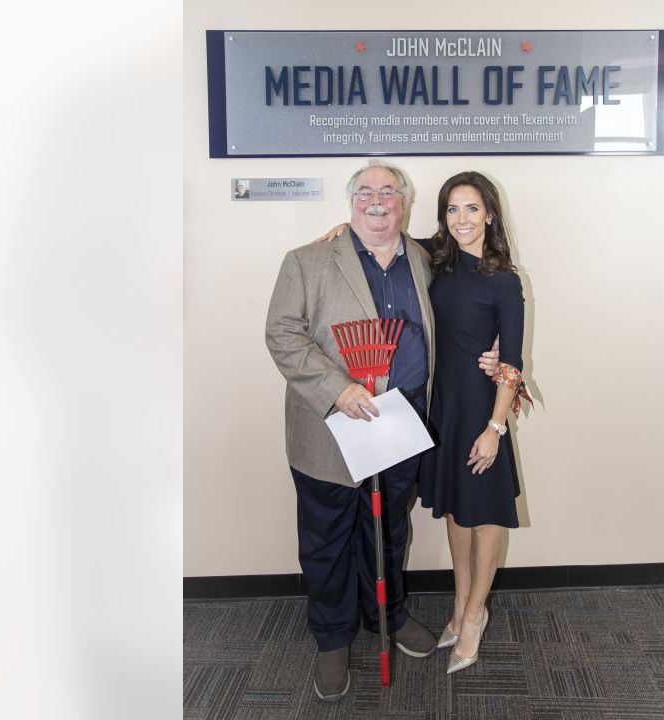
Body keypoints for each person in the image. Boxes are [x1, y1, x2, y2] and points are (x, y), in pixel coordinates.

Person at [264, 160, 497, 701]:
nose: (377, 200)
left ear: (404, 202)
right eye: (365, 191)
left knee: (388, 531)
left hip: (400, 427)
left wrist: (500, 348)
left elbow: (472, 295)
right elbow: (282, 334)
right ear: (350, 203)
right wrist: (338, 389)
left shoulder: (425, 258)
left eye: (387, 191)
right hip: (330, 429)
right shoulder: (307, 260)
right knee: (327, 538)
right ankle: (332, 637)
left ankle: (386, 615)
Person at [314, 170, 532, 675]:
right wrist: (336, 232)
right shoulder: (435, 258)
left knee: (486, 516)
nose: (461, 219)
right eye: (453, 209)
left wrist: (496, 427)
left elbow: (513, 362)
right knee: (458, 513)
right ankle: (457, 609)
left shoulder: (505, 280)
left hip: (482, 411)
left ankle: (476, 615)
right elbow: (379, 231)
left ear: (490, 214)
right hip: (443, 408)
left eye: (472, 209)